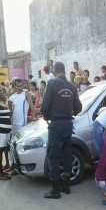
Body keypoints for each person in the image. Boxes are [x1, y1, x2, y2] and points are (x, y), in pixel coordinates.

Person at [41, 61, 82, 199]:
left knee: (53, 155)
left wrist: (47, 117)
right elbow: (78, 108)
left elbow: (44, 106)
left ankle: (55, 190)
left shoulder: (52, 83)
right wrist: (70, 113)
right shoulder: (71, 86)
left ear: (55, 70)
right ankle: (66, 186)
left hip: (56, 124)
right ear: (64, 70)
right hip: (68, 124)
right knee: (67, 153)